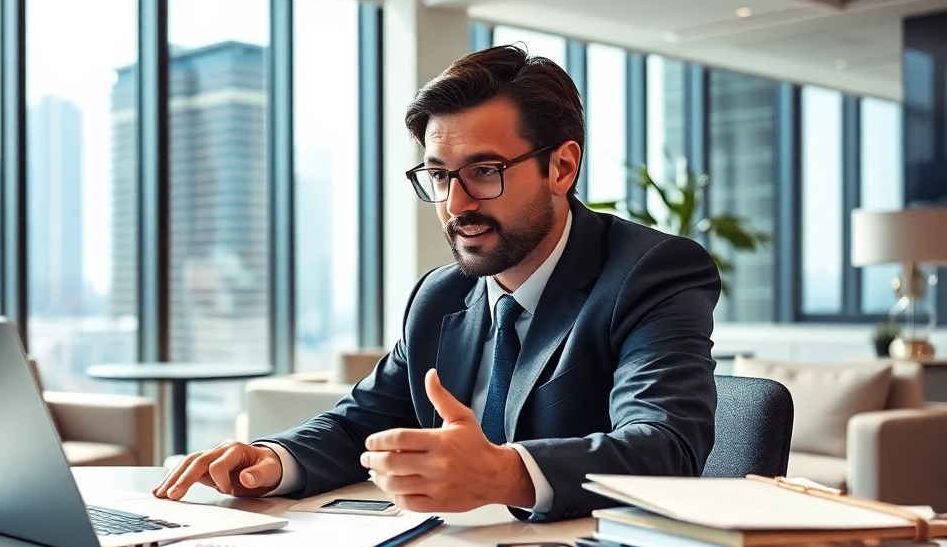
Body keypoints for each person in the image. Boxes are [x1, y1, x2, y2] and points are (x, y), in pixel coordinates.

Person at [153, 44, 720, 521]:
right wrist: (273, 459)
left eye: (484, 172)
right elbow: (363, 426)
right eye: (438, 176)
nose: (456, 205)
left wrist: (505, 474)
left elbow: (666, 448)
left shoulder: (651, 272)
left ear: (562, 168)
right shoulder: (440, 295)